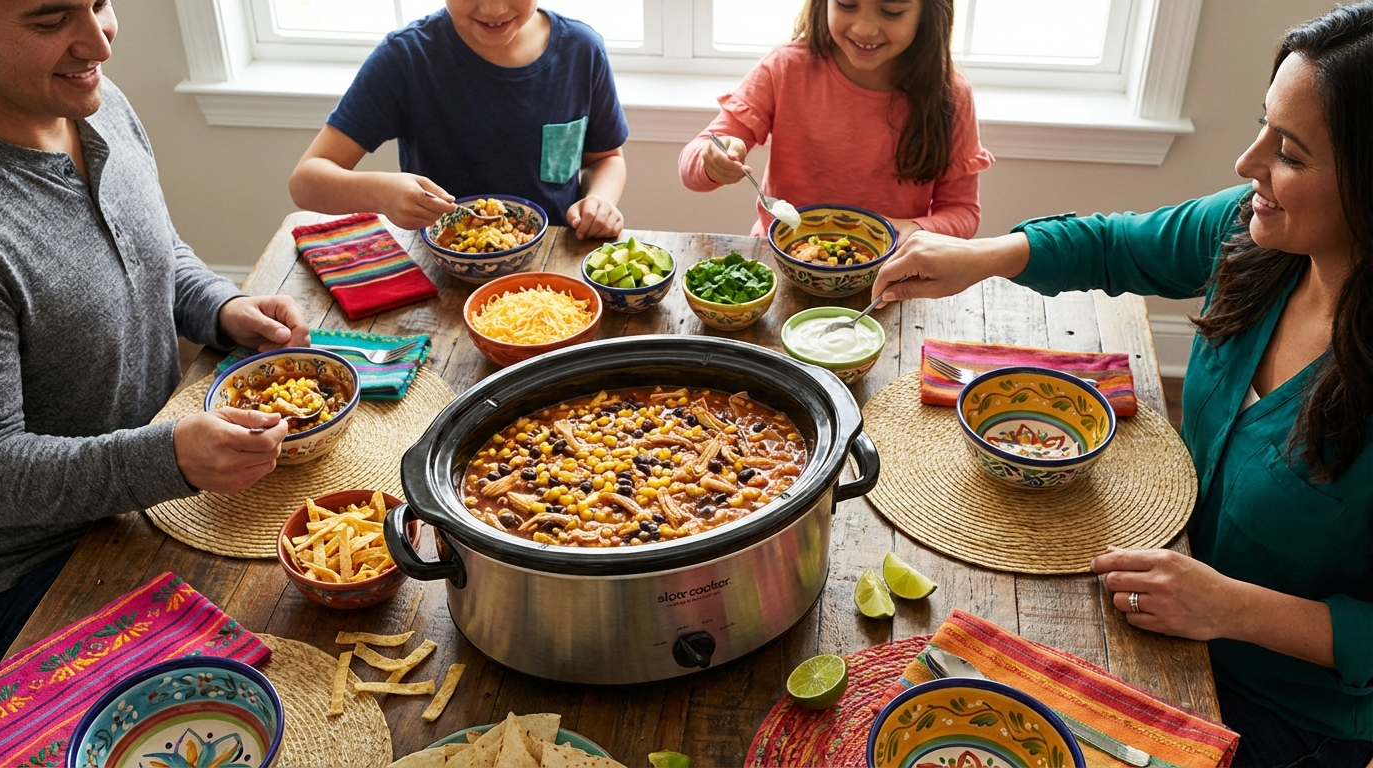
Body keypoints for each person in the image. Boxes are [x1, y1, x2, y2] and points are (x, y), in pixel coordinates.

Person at [872, 3, 1373, 764]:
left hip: (1277, 707)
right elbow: (1118, 244)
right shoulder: (1255, 231)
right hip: (1153, 597)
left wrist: (1230, 607)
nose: (1248, 164)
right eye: (1262, 126)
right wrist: (983, 257)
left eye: (1291, 154)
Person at [0, 0, 310, 665]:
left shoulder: (95, 102)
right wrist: (169, 458)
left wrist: (222, 306)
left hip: (166, 490)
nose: (99, 44)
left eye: (100, 2)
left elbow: (154, 249)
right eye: (50, 21)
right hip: (45, 567)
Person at [288, 0, 629, 240]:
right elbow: (306, 182)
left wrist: (599, 200)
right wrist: (381, 193)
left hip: (553, 269)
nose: (494, 8)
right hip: (439, 272)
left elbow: (606, 159)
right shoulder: (406, 58)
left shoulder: (582, 50)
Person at [678, 0, 992, 239]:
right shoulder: (785, 68)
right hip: (780, 262)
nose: (864, 28)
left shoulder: (951, 94)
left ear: (927, 13)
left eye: (891, 12)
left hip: (891, 272)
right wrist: (712, 160)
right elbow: (693, 163)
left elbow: (962, 211)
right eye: (846, 4)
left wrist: (913, 230)